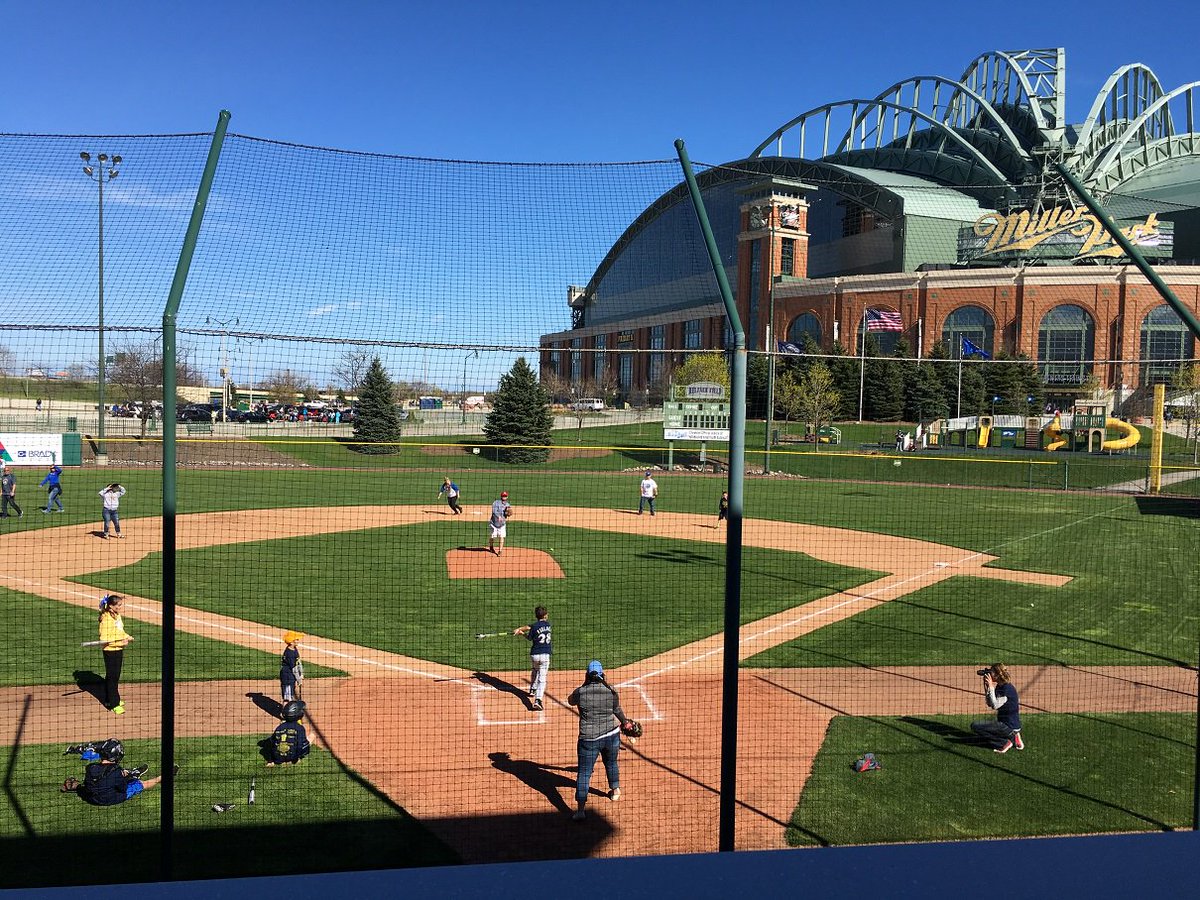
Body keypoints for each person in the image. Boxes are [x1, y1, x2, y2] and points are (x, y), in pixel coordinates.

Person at [567, 660, 631, 821]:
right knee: (611, 763)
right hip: (612, 735)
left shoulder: (581, 692)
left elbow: (570, 700)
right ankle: (615, 791)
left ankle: (581, 810)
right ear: (602, 674)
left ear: (587, 675)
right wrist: (625, 723)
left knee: (584, 772)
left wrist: (585, 683)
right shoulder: (611, 690)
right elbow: (616, 709)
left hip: (589, 739)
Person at [60, 739, 164, 804]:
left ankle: (131, 773)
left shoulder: (90, 768)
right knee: (140, 784)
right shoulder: (116, 771)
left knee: (97, 783)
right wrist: (125, 778)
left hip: (92, 799)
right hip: (113, 799)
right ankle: (162, 777)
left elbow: (88, 784)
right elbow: (122, 789)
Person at [970, 663, 1024, 754]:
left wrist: (991, 687)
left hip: (1009, 726)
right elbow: (990, 703)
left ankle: (1004, 742)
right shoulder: (1000, 686)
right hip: (1004, 724)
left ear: (998, 674)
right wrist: (987, 686)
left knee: (976, 726)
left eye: (991, 672)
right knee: (978, 727)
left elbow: (995, 705)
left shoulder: (1007, 689)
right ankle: (1013, 737)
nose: (990, 674)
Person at [97, 595, 132, 714]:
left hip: (118, 648)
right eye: (118, 605)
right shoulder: (106, 619)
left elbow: (119, 631)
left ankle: (109, 699)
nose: (120, 607)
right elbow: (104, 638)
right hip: (111, 650)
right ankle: (114, 704)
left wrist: (126, 636)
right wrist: (120, 641)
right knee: (113, 677)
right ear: (111, 606)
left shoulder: (116, 615)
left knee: (113, 676)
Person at [513, 606, 551, 711]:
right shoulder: (548, 625)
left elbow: (529, 636)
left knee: (535, 670)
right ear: (545, 615)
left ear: (536, 616)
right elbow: (530, 626)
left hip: (534, 655)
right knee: (542, 678)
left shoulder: (534, 626)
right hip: (545, 655)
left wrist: (521, 633)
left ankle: (532, 689)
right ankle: (538, 700)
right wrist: (520, 629)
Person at [267, 700, 311, 766]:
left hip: (278, 758)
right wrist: (296, 759)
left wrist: (271, 760)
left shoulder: (279, 727)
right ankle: (292, 759)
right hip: (292, 757)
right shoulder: (300, 728)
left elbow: (271, 743)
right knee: (311, 737)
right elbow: (301, 745)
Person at [280, 630, 305, 703]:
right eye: (296, 639)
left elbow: (298, 662)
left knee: (291, 693)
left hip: (291, 675)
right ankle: (284, 713)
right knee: (287, 697)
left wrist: (301, 674)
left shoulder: (294, 649)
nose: (298, 640)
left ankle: (289, 711)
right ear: (291, 642)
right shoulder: (289, 654)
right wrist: (299, 679)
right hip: (287, 676)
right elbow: (294, 668)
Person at [488, 491, 511, 556]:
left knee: (502, 536)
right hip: (494, 523)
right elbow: (494, 511)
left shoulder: (508, 505)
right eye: (503, 496)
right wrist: (499, 516)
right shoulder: (496, 503)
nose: (504, 497)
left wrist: (508, 514)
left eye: (505, 496)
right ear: (501, 496)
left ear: (507, 497)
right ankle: (491, 546)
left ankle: (500, 551)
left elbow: (508, 513)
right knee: (492, 537)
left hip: (502, 524)